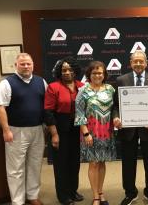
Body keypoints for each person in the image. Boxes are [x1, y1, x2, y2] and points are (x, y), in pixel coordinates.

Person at [0, 53, 46, 205]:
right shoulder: (6, 83)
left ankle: (32, 196)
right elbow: (0, 108)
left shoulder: (40, 81)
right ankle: (17, 201)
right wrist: (5, 130)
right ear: (15, 65)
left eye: (28, 64)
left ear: (33, 65)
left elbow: (46, 105)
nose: (26, 66)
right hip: (15, 131)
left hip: (37, 129)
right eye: (22, 64)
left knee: (35, 164)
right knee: (15, 168)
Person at [112, 50, 148, 205]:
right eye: (135, 61)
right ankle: (130, 192)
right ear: (130, 63)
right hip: (128, 129)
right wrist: (116, 117)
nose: (138, 64)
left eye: (141, 61)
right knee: (128, 163)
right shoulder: (121, 80)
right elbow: (116, 105)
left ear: (146, 63)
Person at [74, 61, 116, 205]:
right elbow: (79, 114)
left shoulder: (110, 89)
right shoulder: (83, 90)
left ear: (104, 74)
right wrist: (86, 133)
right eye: (94, 73)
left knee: (102, 163)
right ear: (89, 75)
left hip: (106, 132)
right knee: (93, 164)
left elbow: (115, 109)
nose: (98, 75)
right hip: (90, 133)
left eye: (100, 73)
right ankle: (95, 197)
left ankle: (101, 191)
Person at [44, 57, 84, 205]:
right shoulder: (53, 87)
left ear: (75, 71)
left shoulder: (81, 86)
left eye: (70, 70)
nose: (67, 72)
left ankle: (73, 191)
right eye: (64, 70)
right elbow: (48, 112)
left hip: (77, 130)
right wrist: (54, 134)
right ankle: (63, 196)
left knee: (75, 163)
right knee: (61, 164)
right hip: (59, 129)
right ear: (60, 72)